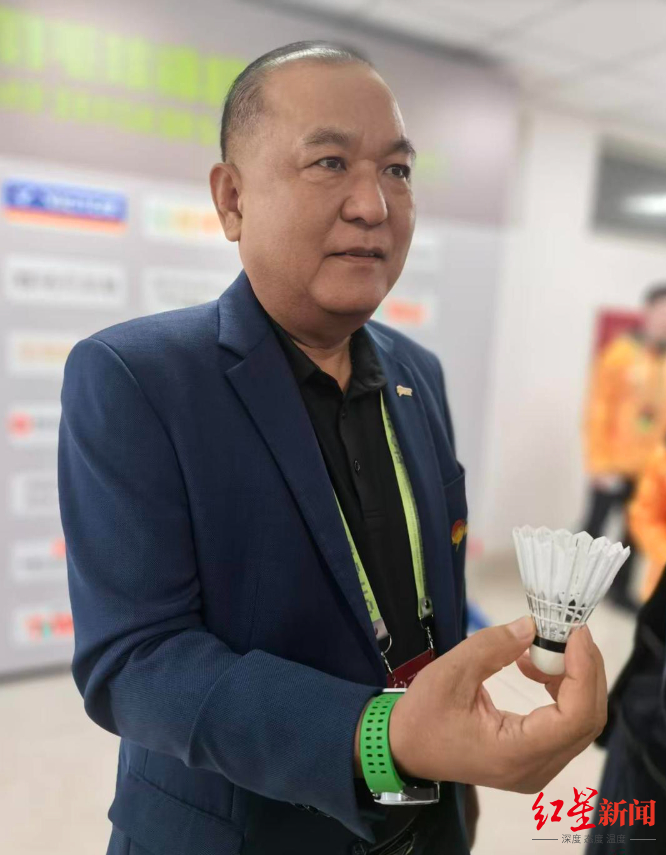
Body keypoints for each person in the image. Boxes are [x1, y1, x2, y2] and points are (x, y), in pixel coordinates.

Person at [58, 42, 607, 855]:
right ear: (232, 198)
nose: (374, 205)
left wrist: (485, 699)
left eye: (398, 170)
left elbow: (422, 596)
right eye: (329, 162)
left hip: (426, 822)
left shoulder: (418, 374)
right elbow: (135, 662)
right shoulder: (137, 378)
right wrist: (380, 735)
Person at [582, 284, 666, 611]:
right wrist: (598, 463)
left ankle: (620, 590)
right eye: (660, 313)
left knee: (635, 533)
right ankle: (575, 586)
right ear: (647, 313)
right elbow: (598, 409)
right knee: (594, 528)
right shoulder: (620, 354)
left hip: (647, 466)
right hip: (612, 463)